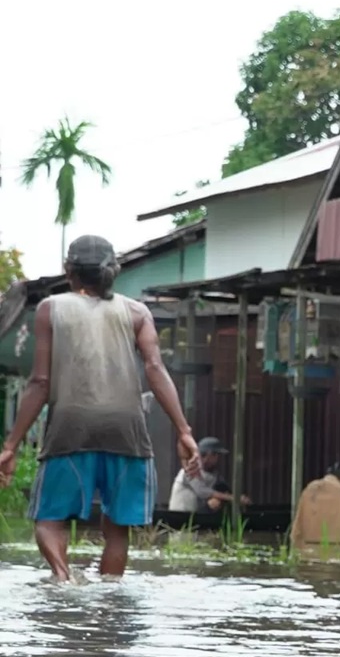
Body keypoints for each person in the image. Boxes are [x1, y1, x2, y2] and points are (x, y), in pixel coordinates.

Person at [0, 236, 198, 581]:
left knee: (49, 520)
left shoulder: (51, 308)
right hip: (127, 431)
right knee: (118, 530)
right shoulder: (137, 312)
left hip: (69, 427)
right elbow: (156, 370)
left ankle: (63, 579)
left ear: (69, 271)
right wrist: (184, 430)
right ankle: (109, 599)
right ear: (113, 272)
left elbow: (40, 382)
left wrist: (10, 445)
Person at [168, 437, 246, 514]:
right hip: (180, 514)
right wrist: (233, 498)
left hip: (197, 514)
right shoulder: (190, 470)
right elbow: (202, 491)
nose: (217, 459)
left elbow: (222, 490)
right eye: (215, 455)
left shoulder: (214, 475)